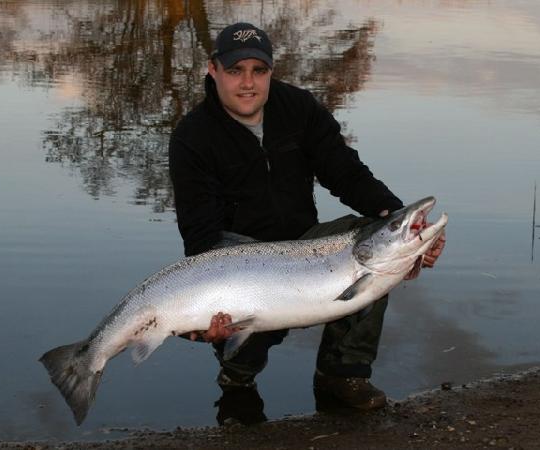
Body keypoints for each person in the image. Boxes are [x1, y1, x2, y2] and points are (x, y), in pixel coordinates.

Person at [168, 22, 445, 419]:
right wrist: (199, 316)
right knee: (240, 361)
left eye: (258, 71)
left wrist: (402, 226)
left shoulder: (298, 108)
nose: (248, 83)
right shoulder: (192, 137)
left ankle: (342, 373)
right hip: (238, 265)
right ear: (213, 70)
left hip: (305, 247)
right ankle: (237, 379)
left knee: (367, 245)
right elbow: (199, 235)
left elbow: (346, 173)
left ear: (271, 71)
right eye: (235, 70)